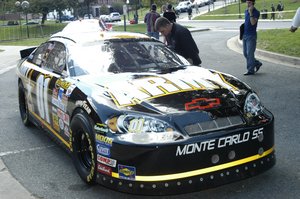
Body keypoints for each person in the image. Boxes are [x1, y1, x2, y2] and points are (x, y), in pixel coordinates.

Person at [242, 0, 262, 75]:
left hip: (251, 36)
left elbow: (253, 23)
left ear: (253, 3)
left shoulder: (256, 12)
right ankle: (257, 63)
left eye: (249, 2)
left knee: (249, 54)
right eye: (247, 2)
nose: (247, 4)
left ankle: (250, 70)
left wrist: (251, 13)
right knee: (245, 54)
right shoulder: (245, 11)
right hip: (245, 35)